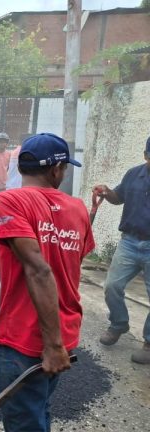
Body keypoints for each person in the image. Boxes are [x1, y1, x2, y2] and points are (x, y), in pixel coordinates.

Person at [0, 132, 94, 431]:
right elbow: (71, 268)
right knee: (40, 408)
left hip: (27, 337)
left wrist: (51, 345)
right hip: (62, 332)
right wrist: (58, 343)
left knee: (25, 421)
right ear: (56, 170)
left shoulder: (9, 201)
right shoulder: (78, 209)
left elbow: (39, 270)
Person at [92, 136, 150, 365]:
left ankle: (149, 342)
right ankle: (119, 324)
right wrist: (106, 191)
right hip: (129, 242)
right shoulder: (133, 174)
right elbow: (118, 198)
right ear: (146, 155)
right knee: (112, 286)